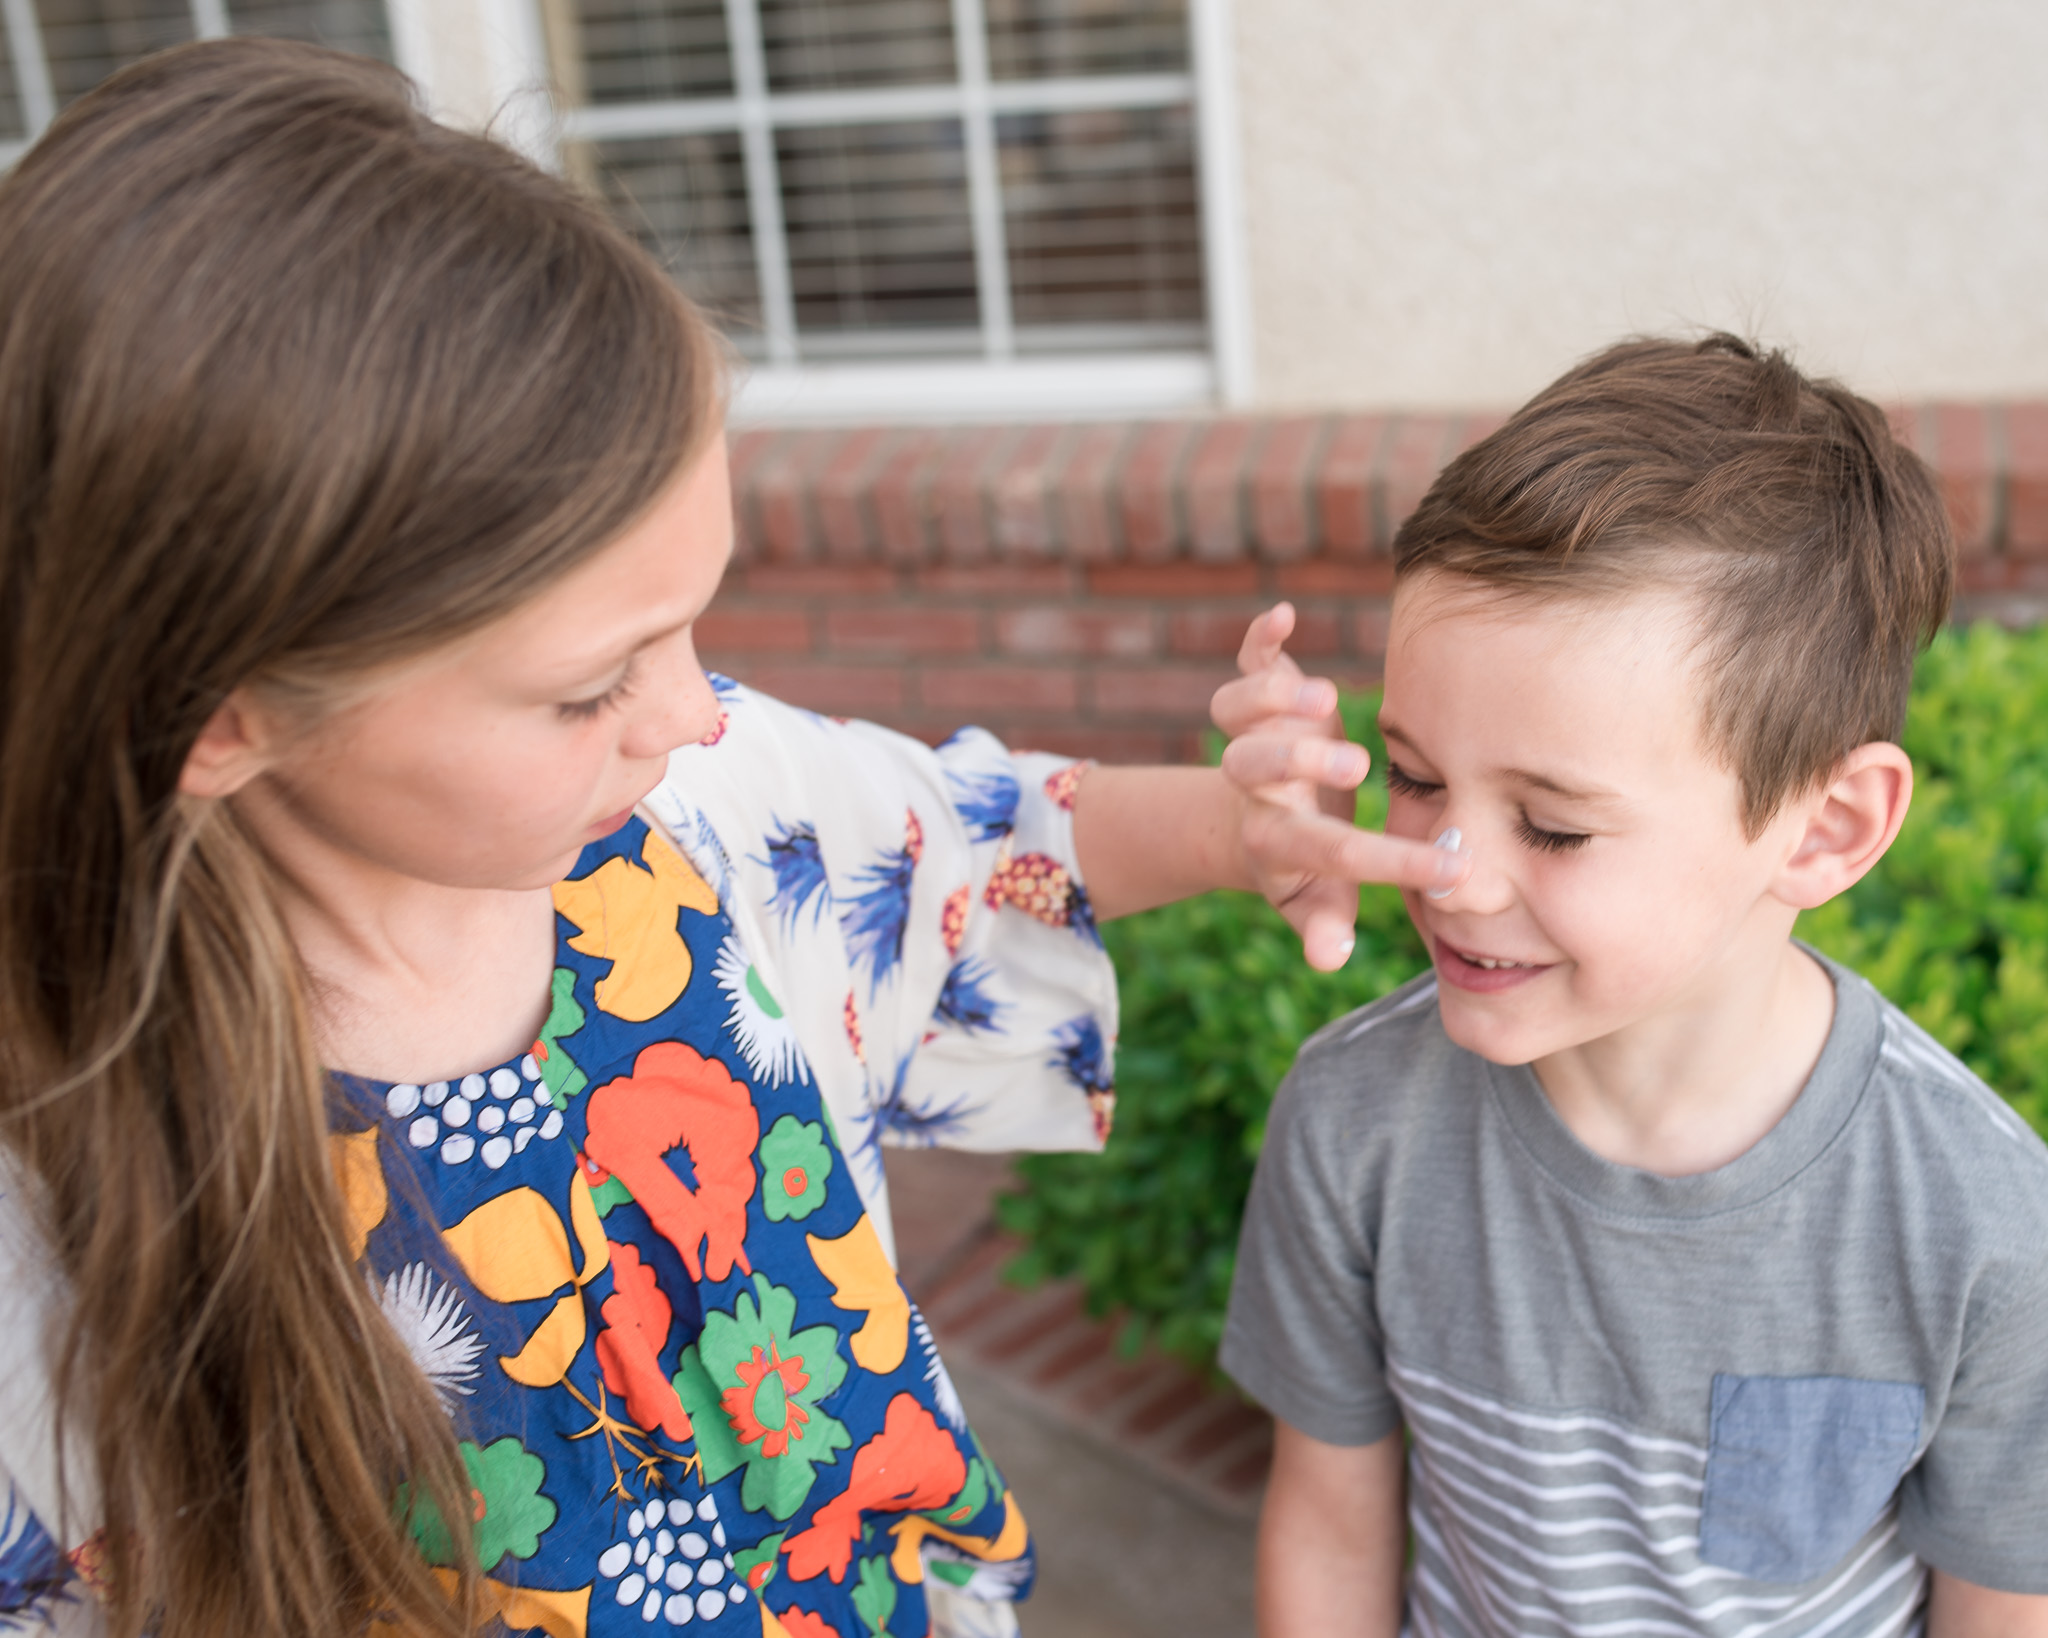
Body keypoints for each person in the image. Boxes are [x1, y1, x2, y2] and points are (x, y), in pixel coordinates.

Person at [0, 38, 1469, 1638]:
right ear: (222, 711)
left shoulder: (701, 807)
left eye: (698, 621)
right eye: (587, 686)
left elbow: (973, 844)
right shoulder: (54, 1167)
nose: (696, 710)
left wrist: (1234, 826)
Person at [1222, 336, 2048, 1637]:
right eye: (1420, 776)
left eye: (1552, 826)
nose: (1448, 868)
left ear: (1826, 829)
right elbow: (1329, 1526)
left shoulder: (1979, 1222)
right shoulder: (1355, 1119)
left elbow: (2000, 1610)